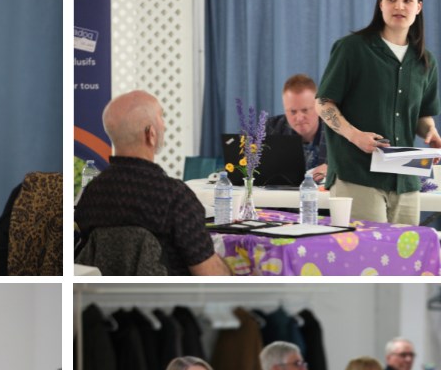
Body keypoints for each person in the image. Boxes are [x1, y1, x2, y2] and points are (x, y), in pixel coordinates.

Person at [316, 0, 441, 224]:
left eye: (408, 0)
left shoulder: (425, 61)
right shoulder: (352, 49)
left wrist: (430, 131)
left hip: (405, 179)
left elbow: (422, 115)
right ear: (380, 4)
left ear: (418, 7)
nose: (399, 6)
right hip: (357, 174)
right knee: (365, 258)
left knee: (403, 260)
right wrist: (355, 135)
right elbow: (323, 103)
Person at [74, 90, 229, 275]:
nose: (164, 125)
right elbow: (210, 275)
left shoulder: (91, 195)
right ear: (151, 134)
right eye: (161, 117)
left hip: (98, 299)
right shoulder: (175, 197)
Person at [265, 74, 328, 184]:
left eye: (305, 110)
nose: (299, 118)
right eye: (292, 112)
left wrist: (333, 170)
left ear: (318, 106)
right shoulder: (272, 128)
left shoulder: (336, 131)